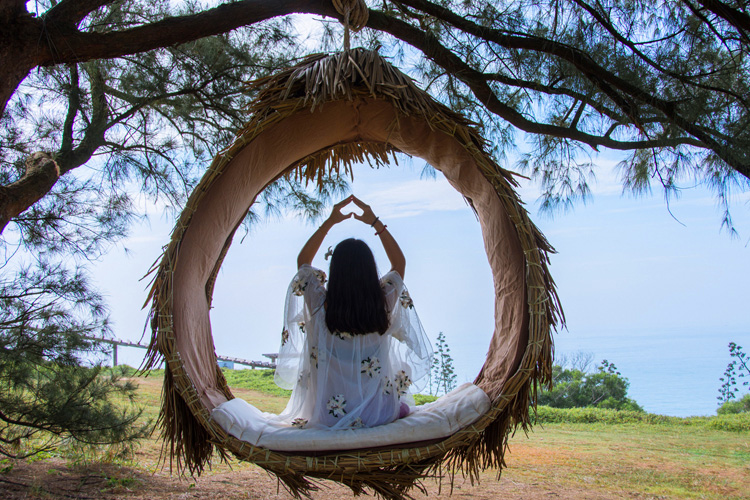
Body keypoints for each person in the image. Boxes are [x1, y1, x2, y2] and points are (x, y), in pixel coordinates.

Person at [274, 195, 433, 430]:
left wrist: (330, 221)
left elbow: (303, 262)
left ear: (334, 270)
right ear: (370, 270)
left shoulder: (320, 306)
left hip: (329, 416)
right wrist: (374, 221)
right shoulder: (382, 304)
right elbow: (399, 264)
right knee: (401, 407)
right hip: (379, 413)